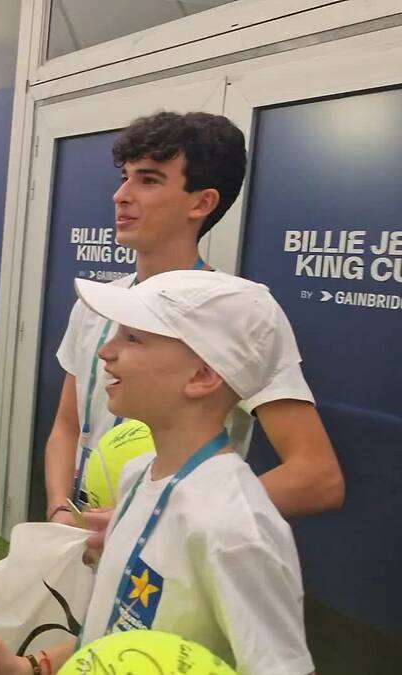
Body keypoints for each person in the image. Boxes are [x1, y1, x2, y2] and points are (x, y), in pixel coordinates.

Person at [0, 270, 315, 675]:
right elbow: (120, 634)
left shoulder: (236, 529)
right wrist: (32, 667)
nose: (105, 352)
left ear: (202, 376)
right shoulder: (137, 475)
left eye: (132, 338)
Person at [44, 112, 343, 532]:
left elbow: (317, 477)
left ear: (201, 202)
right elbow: (68, 424)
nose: (121, 195)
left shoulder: (235, 313)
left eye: (148, 180)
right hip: (85, 541)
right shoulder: (94, 304)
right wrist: (60, 509)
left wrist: (165, 515)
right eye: (124, 178)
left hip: (172, 562)